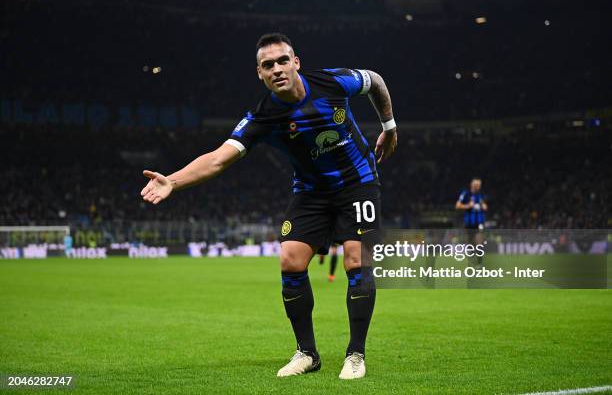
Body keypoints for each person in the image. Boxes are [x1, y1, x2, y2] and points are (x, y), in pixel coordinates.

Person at [140, 33, 397, 379]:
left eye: (282, 61)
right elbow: (218, 159)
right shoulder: (263, 117)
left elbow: (376, 81)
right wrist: (172, 180)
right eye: (267, 65)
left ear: (296, 62)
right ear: (259, 74)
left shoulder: (333, 82)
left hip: (359, 182)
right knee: (290, 261)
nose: (276, 69)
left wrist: (389, 126)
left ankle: (355, 354)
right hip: (310, 193)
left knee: (357, 260)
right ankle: (307, 353)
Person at [455, 178, 488, 263]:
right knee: (470, 242)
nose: (479, 187)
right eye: (478, 185)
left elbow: (485, 206)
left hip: (479, 223)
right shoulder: (466, 194)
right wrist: (468, 206)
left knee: (479, 241)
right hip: (469, 223)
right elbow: (458, 205)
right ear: (473, 185)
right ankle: (472, 260)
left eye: (480, 185)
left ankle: (479, 263)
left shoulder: (481, 195)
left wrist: (483, 206)